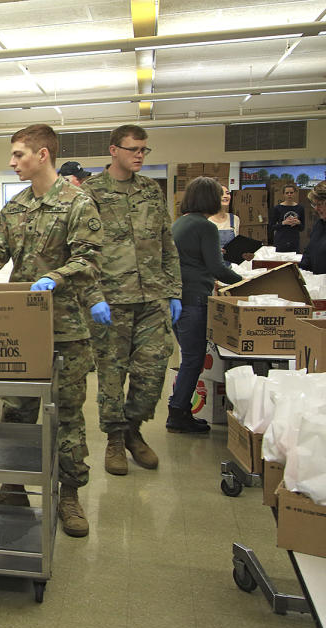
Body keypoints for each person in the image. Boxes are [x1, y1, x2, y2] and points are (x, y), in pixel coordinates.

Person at [0, 124, 109, 538]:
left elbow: (89, 260)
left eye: (19, 155)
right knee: (16, 411)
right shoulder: (15, 207)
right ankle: (13, 486)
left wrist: (56, 277)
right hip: (20, 329)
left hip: (65, 328)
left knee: (68, 414)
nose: (12, 162)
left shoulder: (77, 204)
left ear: (43, 155)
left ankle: (68, 495)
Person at [81, 124, 182, 476]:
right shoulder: (90, 193)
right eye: (133, 148)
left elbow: (167, 243)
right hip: (111, 300)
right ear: (113, 150)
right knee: (112, 374)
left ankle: (134, 430)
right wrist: (92, 296)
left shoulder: (151, 191)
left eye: (144, 149)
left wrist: (173, 291)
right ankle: (114, 439)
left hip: (152, 298)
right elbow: (82, 251)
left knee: (153, 372)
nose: (140, 154)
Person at [169, 177, 243, 433]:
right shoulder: (205, 226)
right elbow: (216, 268)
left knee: (189, 358)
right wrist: (245, 281)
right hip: (194, 300)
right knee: (193, 359)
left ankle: (179, 409)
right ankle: (178, 413)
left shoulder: (181, 223)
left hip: (178, 299)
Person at [208, 185, 240, 265]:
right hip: (211, 269)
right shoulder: (205, 220)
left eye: (227, 193)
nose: (225, 196)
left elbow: (237, 247)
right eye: (221, 194)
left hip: (231, 268)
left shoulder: (235, 219)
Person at [268, 185, 305, 252]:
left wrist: (298, 222)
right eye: (287, 193)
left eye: (291, 193)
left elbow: (302, 228)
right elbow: (271, 227)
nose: (289, 195)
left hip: (294, 241)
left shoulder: (300, 208)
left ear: (295, 194)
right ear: (283, 194)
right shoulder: (277, 208)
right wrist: (283, 223)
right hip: (281, 240)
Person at [300, 180, 326, 274]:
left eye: (319, 204)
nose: (316, 209)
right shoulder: (319, 224)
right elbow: (310, 251)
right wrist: (300, 271)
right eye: (314, 204)